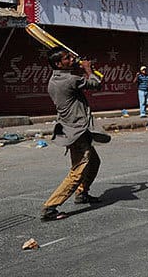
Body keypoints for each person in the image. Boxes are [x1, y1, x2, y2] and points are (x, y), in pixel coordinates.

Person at [41, 47, 108, 221]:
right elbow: (96, 84)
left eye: (70, 57)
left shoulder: (54, 80)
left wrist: (83, 68)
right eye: (67, 58)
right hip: (76, 131)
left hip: (74, 128)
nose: (71, 60)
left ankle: (82, 193)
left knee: (94, 162)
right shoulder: (69, 80)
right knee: (78, 170)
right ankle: (50, 207)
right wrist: (87, 68)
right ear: (58, 63)